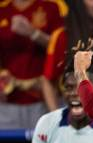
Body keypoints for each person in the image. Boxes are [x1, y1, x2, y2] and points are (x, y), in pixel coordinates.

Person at [0, 0, 64, 128]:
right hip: (6, 102)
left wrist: (33, 33)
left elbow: (62, 48)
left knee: (46, 139)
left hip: (43, 99)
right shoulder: (2, 9)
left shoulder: (51, 6)